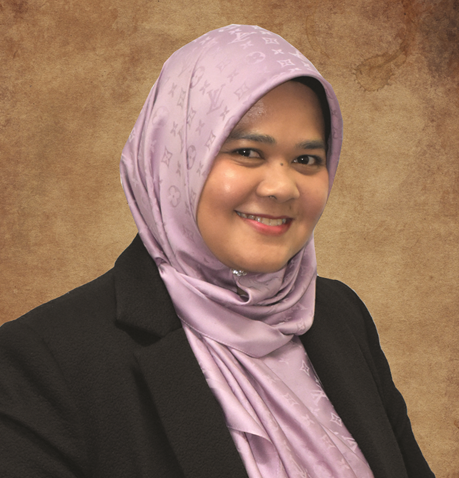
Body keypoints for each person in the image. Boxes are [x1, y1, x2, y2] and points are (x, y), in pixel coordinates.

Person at [0, 25, 435, 478]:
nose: (282, 187)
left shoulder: (339, 315)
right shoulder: (44, 361)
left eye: (306, 160)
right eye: (247, 152)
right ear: (174, 159)